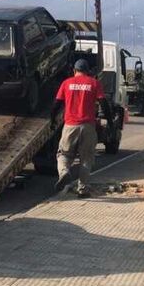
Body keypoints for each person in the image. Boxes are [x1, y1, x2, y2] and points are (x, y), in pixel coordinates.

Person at [51, 59, 114, 197]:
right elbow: (104, 103)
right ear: (88, 71)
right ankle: (83, 189)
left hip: (70, 125)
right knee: (87, 158)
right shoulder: (94, 83)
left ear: (74, 70)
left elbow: (56, 104)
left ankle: (64, 172)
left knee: (64, 154)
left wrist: (52, 120)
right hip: (88, 126)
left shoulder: (66, 83)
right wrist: (109, 121)